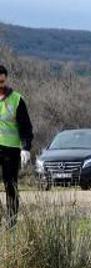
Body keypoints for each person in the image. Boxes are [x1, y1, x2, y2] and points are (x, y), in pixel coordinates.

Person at [0, 64, 33, 228]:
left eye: (2, 81)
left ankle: (11, 222)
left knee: (10, 185)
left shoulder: (16, 99)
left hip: (10, 150)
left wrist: (26, 147)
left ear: (5, 79)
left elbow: (26, 126)